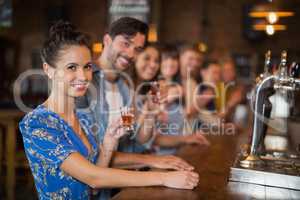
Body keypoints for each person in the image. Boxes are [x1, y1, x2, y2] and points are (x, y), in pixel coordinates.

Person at [19, 21, 199, 200]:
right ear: (48, 70)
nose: (83, 76)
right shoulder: (36, 123)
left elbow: (94, 188)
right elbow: (94, 178)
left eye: (87, 66)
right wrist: (163, 178)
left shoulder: (83, 119)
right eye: (71, 67)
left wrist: (109, 142)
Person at [133, 44, 209, 155]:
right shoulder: (152, 89)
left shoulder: (182, 86)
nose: (170, 62)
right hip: (157, 155)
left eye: (174, 58)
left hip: (178, 151)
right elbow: (140, 136)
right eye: (165, 59)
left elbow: (190, 118)